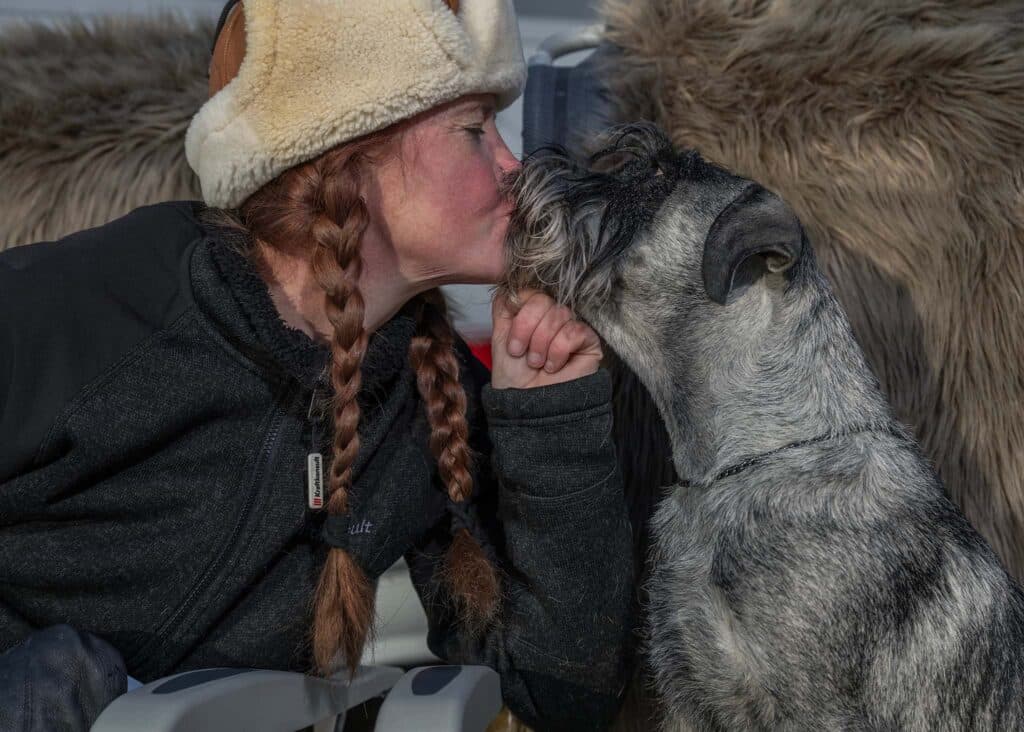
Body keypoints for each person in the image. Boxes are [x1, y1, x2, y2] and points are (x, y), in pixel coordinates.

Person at [0, 0, 635, 730]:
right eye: (473, 130)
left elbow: (556, 694)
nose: (511, 166)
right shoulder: (93, 304)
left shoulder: (435, 395)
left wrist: (551, 421)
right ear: (349, 152)